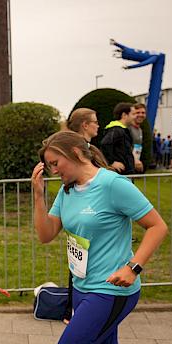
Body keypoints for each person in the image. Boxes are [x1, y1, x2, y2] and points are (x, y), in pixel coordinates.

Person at [32, 130, 168, 344]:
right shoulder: (67, 191)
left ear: (77, 152)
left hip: (112, 290)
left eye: (56, 162)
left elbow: (158, 226)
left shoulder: (113, 185)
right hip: (82, 289)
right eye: (48, 166)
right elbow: (46, 235)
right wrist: (38, 196)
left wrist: (133, 267)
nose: (53, 170)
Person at [61, 108, 110, 324]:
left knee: (81, 262)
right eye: (95, 122)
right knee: (80, 263)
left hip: (90, 216)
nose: (98, 126)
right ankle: (76, 311)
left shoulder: (90, 150)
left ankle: (76, 311)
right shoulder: (80, 150)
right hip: (88, 215)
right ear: (84, 125)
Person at [100, 103, 138, 175]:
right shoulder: (116, 130)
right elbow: (104, 144)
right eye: (133, 114)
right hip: (120, 174)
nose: (135, 117)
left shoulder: (122, 130)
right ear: (124, 115)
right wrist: (111, 162)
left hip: (125, 173)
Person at [129, 103, 146, 171]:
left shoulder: (140, 130)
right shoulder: (127, 128)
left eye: (143, 113)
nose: (141, 115)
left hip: (133, 165)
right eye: (137, 112)